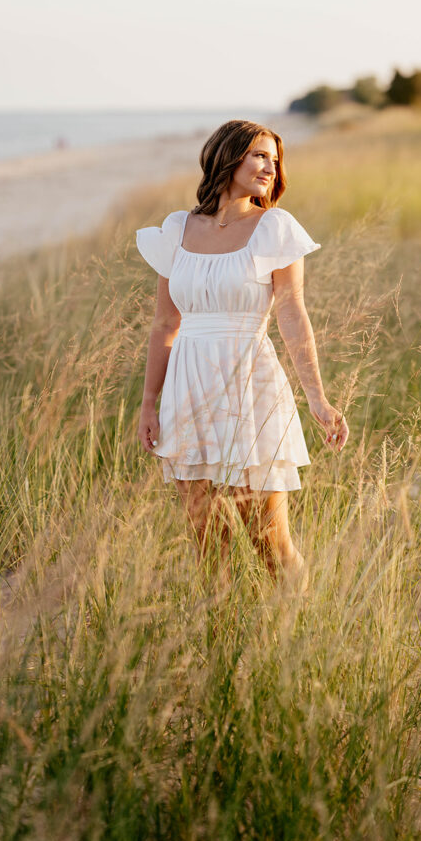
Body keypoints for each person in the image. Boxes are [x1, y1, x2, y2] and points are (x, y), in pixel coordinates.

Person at [135, 119, 348, 588]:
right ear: (226, 156)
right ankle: (222, 643)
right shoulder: (178, 229)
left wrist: (317, 397)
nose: (269, 167)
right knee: (207, 546)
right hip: (187, 392)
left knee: (270, 542)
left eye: (275, 159)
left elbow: (292, 313)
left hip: (252, 387)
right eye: (259, 155)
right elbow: (165, 324)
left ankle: (298, 641)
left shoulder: (274, 227)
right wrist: (149, 402)